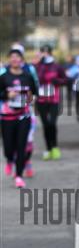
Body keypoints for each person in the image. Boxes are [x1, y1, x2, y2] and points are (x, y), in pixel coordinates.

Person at [0, 46, 38, 188]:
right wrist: (7, 95)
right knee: (8, 147)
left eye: (17, 57)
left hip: (24, 115)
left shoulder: (27, 76)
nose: (15, 59)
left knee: (21, 146)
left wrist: (29, 98)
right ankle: (9, 159)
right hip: (7, 117)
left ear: (22, 59)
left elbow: (34, 93)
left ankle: (19, 176)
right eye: (12, 57)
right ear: (9, 60)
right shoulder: (4, 77)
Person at [35, 45, 67, 160]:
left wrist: (57, 81)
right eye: (42, 52)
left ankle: (55, 147)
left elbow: (65, 80)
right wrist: (41, 65)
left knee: (52, 123)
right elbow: (37, 79)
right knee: (45, 125)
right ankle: (48, 149)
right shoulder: (37, 66)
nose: (45, 54)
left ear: (50, 53)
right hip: (41, 100)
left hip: (54, 99)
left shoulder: (57, 66)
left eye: (46, 52)